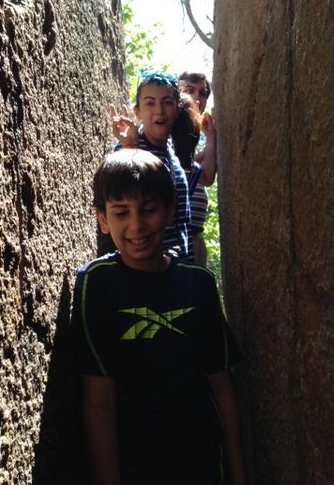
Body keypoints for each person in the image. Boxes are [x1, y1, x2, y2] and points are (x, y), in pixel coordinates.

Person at [73, 148, 247, 485]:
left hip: (202, 465)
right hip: (136, 467)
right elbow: (98, 402)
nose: (136, 224)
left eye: (148, 209)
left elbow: (222, 387)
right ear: (102, 219)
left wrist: (239, 476)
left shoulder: (197, 284)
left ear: (169, 210)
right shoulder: (97, 284)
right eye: (121, 212)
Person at [110, 70, 192, 261]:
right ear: (137, 111)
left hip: (176, 265)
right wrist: (131, 147)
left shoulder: (170, 151)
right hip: (148, 266)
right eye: (150, 103)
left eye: (167, 102)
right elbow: (126, 196)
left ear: (177, 109)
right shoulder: (127, 147)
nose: (159, 110)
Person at [178, 72, 217, 266]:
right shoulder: (169, 126)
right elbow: (202, 175)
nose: (196, 97)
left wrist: (209, 138)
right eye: (189, 90)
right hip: (176, 238)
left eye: (202, 93)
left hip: (195, 236)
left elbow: (205, 175)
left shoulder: (196, 133)